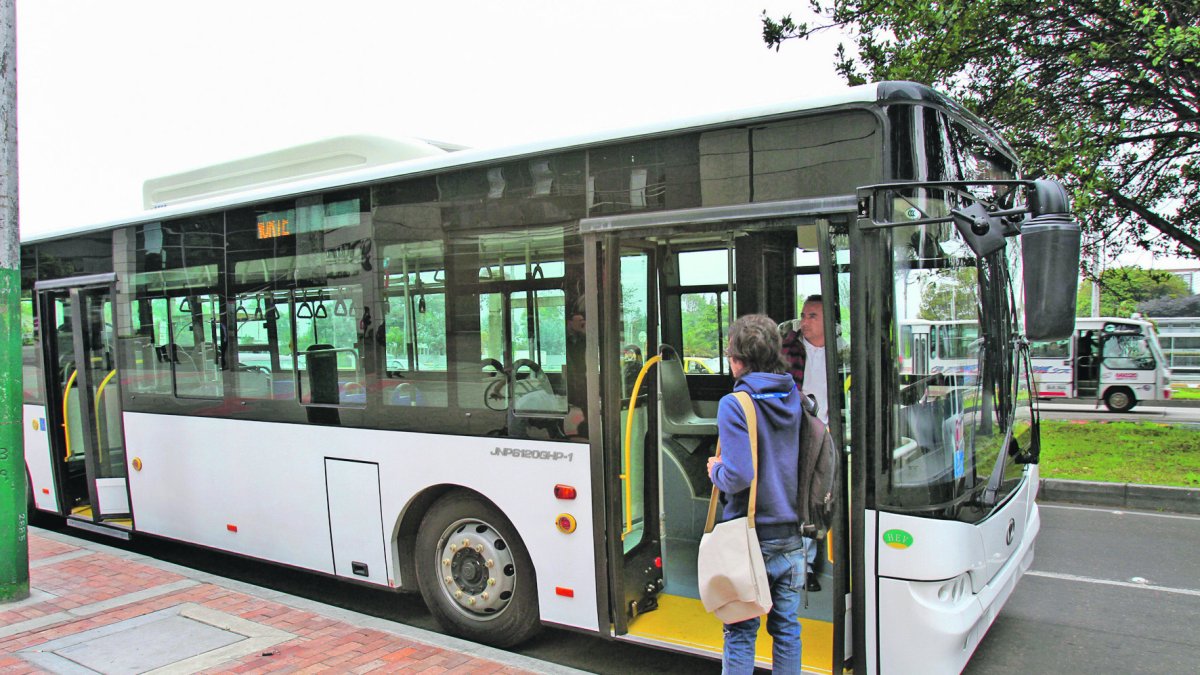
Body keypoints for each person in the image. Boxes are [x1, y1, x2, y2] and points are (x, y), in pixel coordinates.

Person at [706, 314, 804, 674]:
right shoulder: (793, 395)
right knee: (787, 628)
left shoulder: (735, 404)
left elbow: (738, 476)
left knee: (741, 630)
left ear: (738, 360)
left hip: (751, 537)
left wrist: (714, 469)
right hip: (792, 534)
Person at [780, 295, 827, 591]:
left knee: (819, 501)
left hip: (829, 435)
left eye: (812, 316)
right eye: (803, 315)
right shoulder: (790, 351)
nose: (804, 322)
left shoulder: (841, 352)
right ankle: (803, 568)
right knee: (802, 502)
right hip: (799, 434)